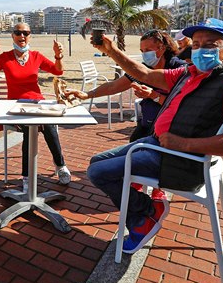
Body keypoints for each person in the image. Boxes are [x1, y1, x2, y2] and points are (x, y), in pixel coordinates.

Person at [86, 18, 223, 254]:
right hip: (157, 146)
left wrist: (184, 143)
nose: (200, 50)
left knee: (97, 172)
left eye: (210, 44)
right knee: (96, 162)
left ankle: (145, 215)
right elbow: (145, 74)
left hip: (177, 161)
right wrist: (111, 50)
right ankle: (146, 210)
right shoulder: (189, 73)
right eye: (196, 44)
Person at [65, 30, 186, 201]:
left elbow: (183, 105)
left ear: (162, 47)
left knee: (150, 160)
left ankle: (159, 191)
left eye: (148, 50)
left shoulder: (178, 68)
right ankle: (136, 182)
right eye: (142, 51)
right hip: (147, 125)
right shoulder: (144, 69)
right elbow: (114, 86)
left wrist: (153, 95)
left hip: (170, 131)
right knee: (131, 148)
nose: (145, 54)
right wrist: (87, 95)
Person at [0, 22, 71, 192]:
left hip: (38, 104)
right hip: (16, 107)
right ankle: (33, 174)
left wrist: (58, 57)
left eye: (26, 33)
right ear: (12, 35)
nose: (22, 36)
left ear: (30, 36)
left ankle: (55, 167)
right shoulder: (5, 57)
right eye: (18, 32)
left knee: (46, 126)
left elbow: (58, 72)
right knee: (31, 129)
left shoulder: (36, 56)